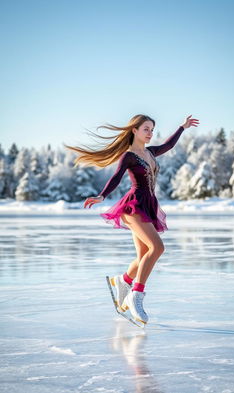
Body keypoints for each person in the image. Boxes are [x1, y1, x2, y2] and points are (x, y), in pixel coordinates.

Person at [65, 114, 199, 325]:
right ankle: (136, 295)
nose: (150, 133)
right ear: (134, 130)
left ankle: (123, 281)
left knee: (144, 254)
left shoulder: (151, 152)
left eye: (152, 129)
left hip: (148, 205)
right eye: (146, 128)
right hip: (133, 206)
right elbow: (116, 177)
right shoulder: (128, 156)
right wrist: (102, 196)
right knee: (157, 247)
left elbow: (168, 145)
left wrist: (182, 127)